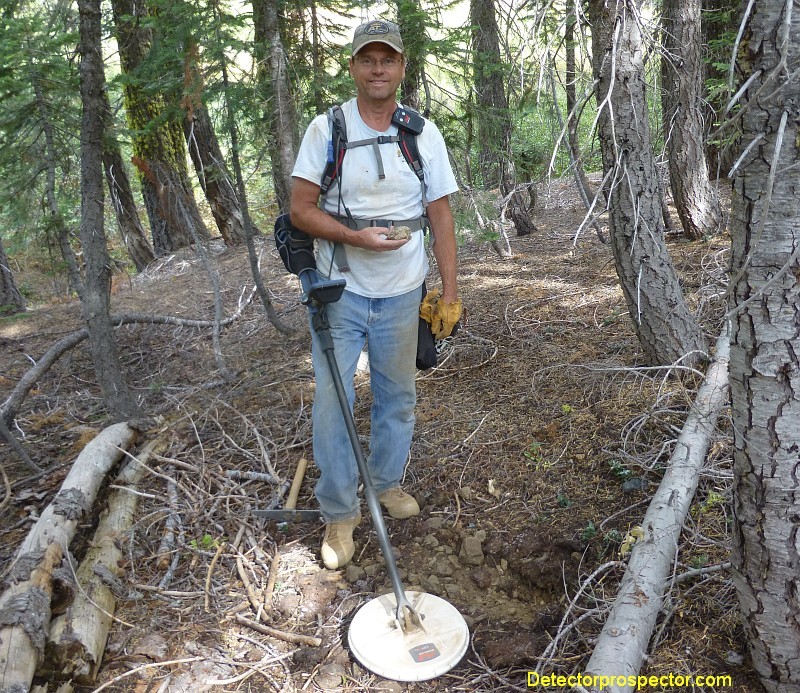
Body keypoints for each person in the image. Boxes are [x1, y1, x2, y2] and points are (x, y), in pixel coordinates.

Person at [289, 18, 461, 570]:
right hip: (338, 291)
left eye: (387, 59)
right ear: (354, 67)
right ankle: (340, 512)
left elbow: (440, 212)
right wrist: (353, 236)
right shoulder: (328, 128)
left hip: (404, 292)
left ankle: (384, 484)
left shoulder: (420, 132)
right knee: (334, 404)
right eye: (368, 59)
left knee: (398, 397)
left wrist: (451, 291)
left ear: (401, 67)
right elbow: (300, 209)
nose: (378, 69)